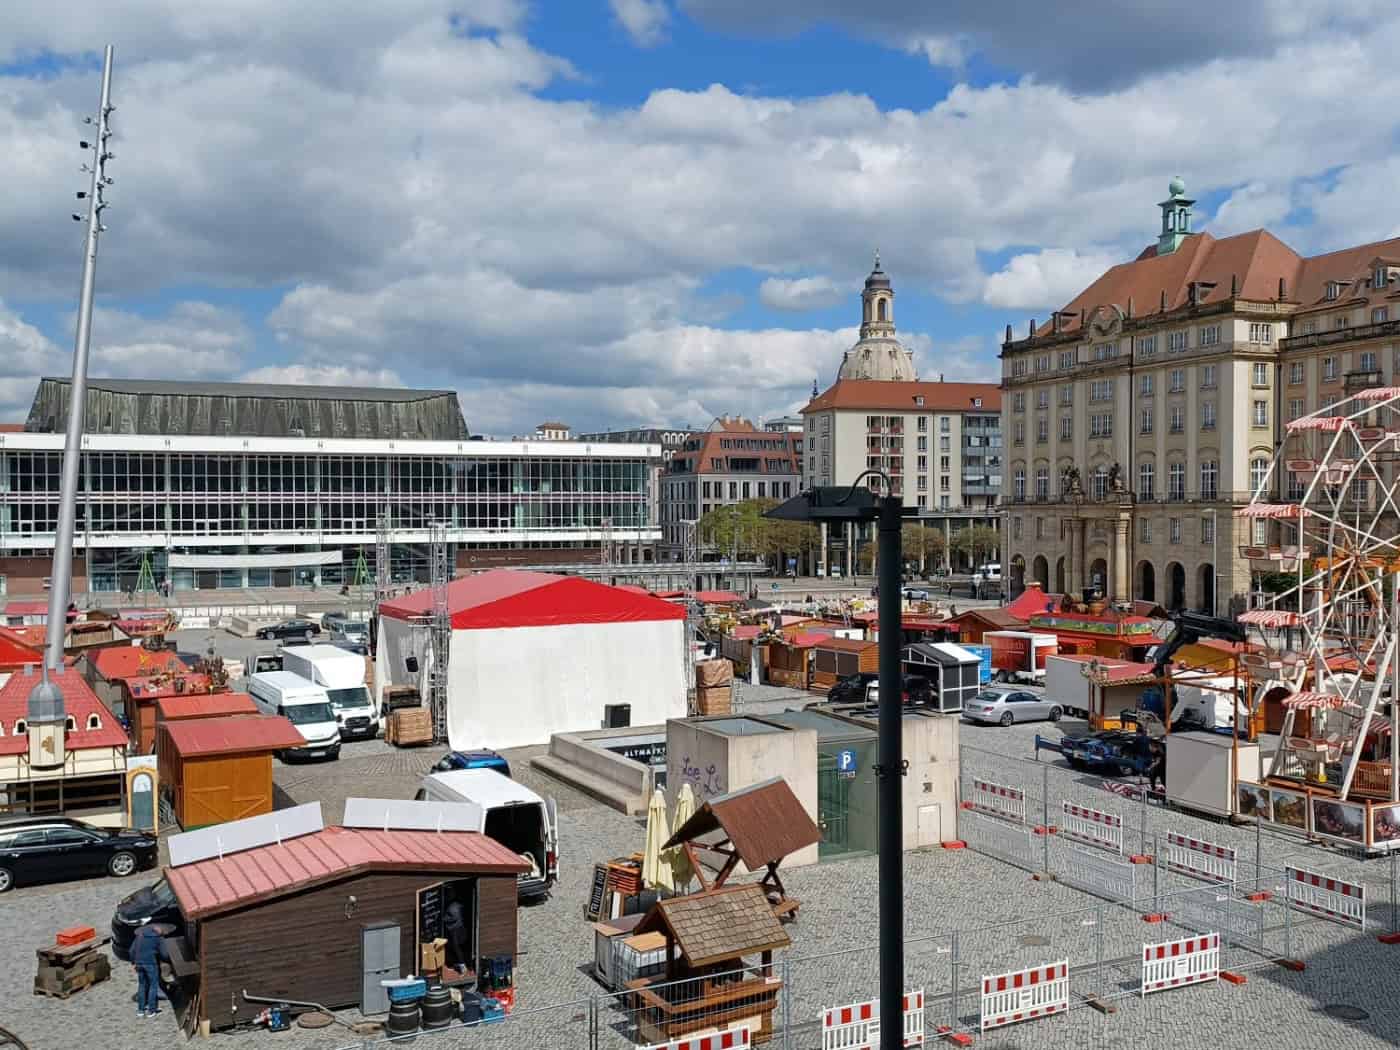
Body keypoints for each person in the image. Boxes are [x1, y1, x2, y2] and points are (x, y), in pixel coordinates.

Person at [131, 921, 172, 1017]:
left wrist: (133, 962)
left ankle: (141, 1010)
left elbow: (132, 951)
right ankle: (151, 1010)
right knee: (153, 986)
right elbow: (164, 954)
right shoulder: (158, 937)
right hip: (150, 963)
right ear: (159, 931)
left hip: (139, 963)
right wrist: (167, 960)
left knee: (142, 985)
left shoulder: (140, 936)